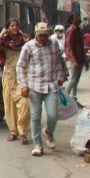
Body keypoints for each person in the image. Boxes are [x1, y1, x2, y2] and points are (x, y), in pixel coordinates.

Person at [17, 22, 68, 157]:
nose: (43, 38)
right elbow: (20, 66)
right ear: (36, 34)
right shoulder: (28, 46)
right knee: (35, 116)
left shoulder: (54, 44)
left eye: (45, 36)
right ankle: (38, 144)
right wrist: (23, 85)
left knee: (53, 114)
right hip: (34, 86)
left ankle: (49, 132)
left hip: (51, 85)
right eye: (40, 36)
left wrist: (61, 76)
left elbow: (58, 62)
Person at [0, 18, 31, 144]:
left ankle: (23, 131)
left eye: (16, 25)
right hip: (9, 74)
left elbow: (32, 51)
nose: (15, 28)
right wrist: (2, 34)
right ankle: (13, 131)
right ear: (8, 27)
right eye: (12, 26)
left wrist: (27, 41)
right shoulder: (4, 40)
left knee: (25, 102)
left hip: (23, 74)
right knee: (9, 103)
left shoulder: (24, 39)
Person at [63, 14, 87, 102]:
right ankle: (64, 99)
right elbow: (69, 47)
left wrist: (84, 60)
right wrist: (74, 60)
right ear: (72, 20)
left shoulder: (78, 30)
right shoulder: (71, 30)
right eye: (76, 17)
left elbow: (81, 46)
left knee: (76, 80)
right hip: (73, 60)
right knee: (73, 80)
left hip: (79, 59)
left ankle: (73, 98)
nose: (79, 18)